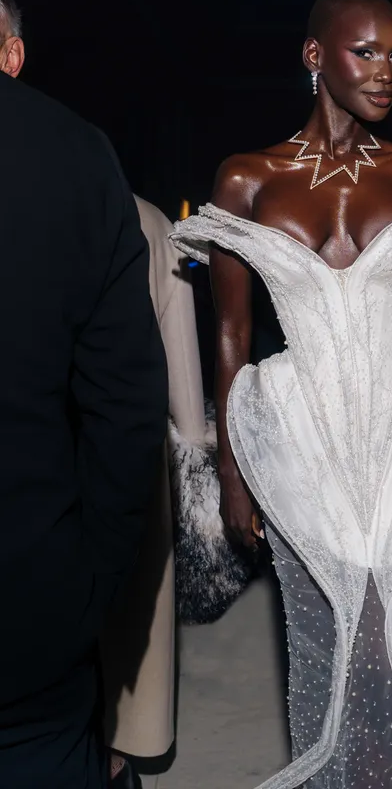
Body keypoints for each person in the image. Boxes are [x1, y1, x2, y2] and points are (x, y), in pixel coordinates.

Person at [171, 0, 392, 789]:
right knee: (320, 645)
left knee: (382, 653)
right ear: (315, 56)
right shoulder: (248, 179)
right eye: (366, 51)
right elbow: (231, 336)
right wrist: (234, 474)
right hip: (300, 446)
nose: (387, 71)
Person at [0, 2, 168, 787]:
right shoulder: (73, 152)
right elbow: (126, 409)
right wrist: (93, 583)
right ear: (12, 54)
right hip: (30, 604)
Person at [100, 197, 210, 788]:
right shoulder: (152, 220)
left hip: (36, 431)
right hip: (130, 438)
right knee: (130, 601)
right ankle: (117, 747)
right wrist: (192, 434)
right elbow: (179, 349)